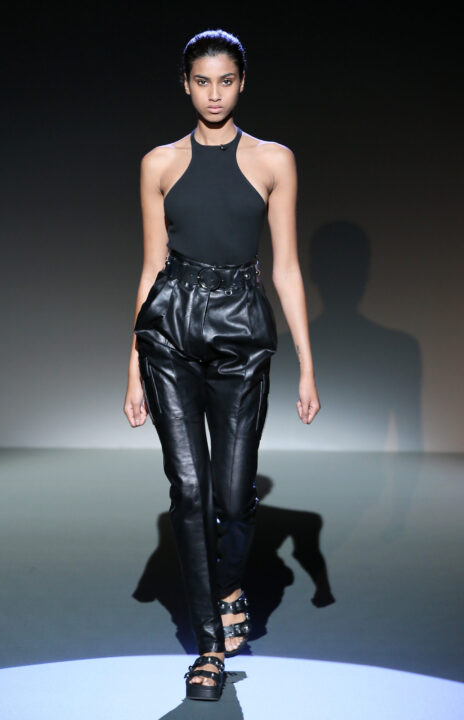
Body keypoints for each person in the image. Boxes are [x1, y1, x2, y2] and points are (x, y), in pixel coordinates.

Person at [123, 28, 321, 701]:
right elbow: (151, 267)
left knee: (234, 499)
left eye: (226, 81)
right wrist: (131, 368)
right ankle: (208, 645)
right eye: (201, 81)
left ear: (242, 83)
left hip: (240, 325)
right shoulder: (158, 163)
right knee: (188, 489)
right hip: (170, 328)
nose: (213, 94)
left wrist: (307, 362)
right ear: (186, 84)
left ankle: (231, 584)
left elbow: (287, 266)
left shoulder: (273, 161)